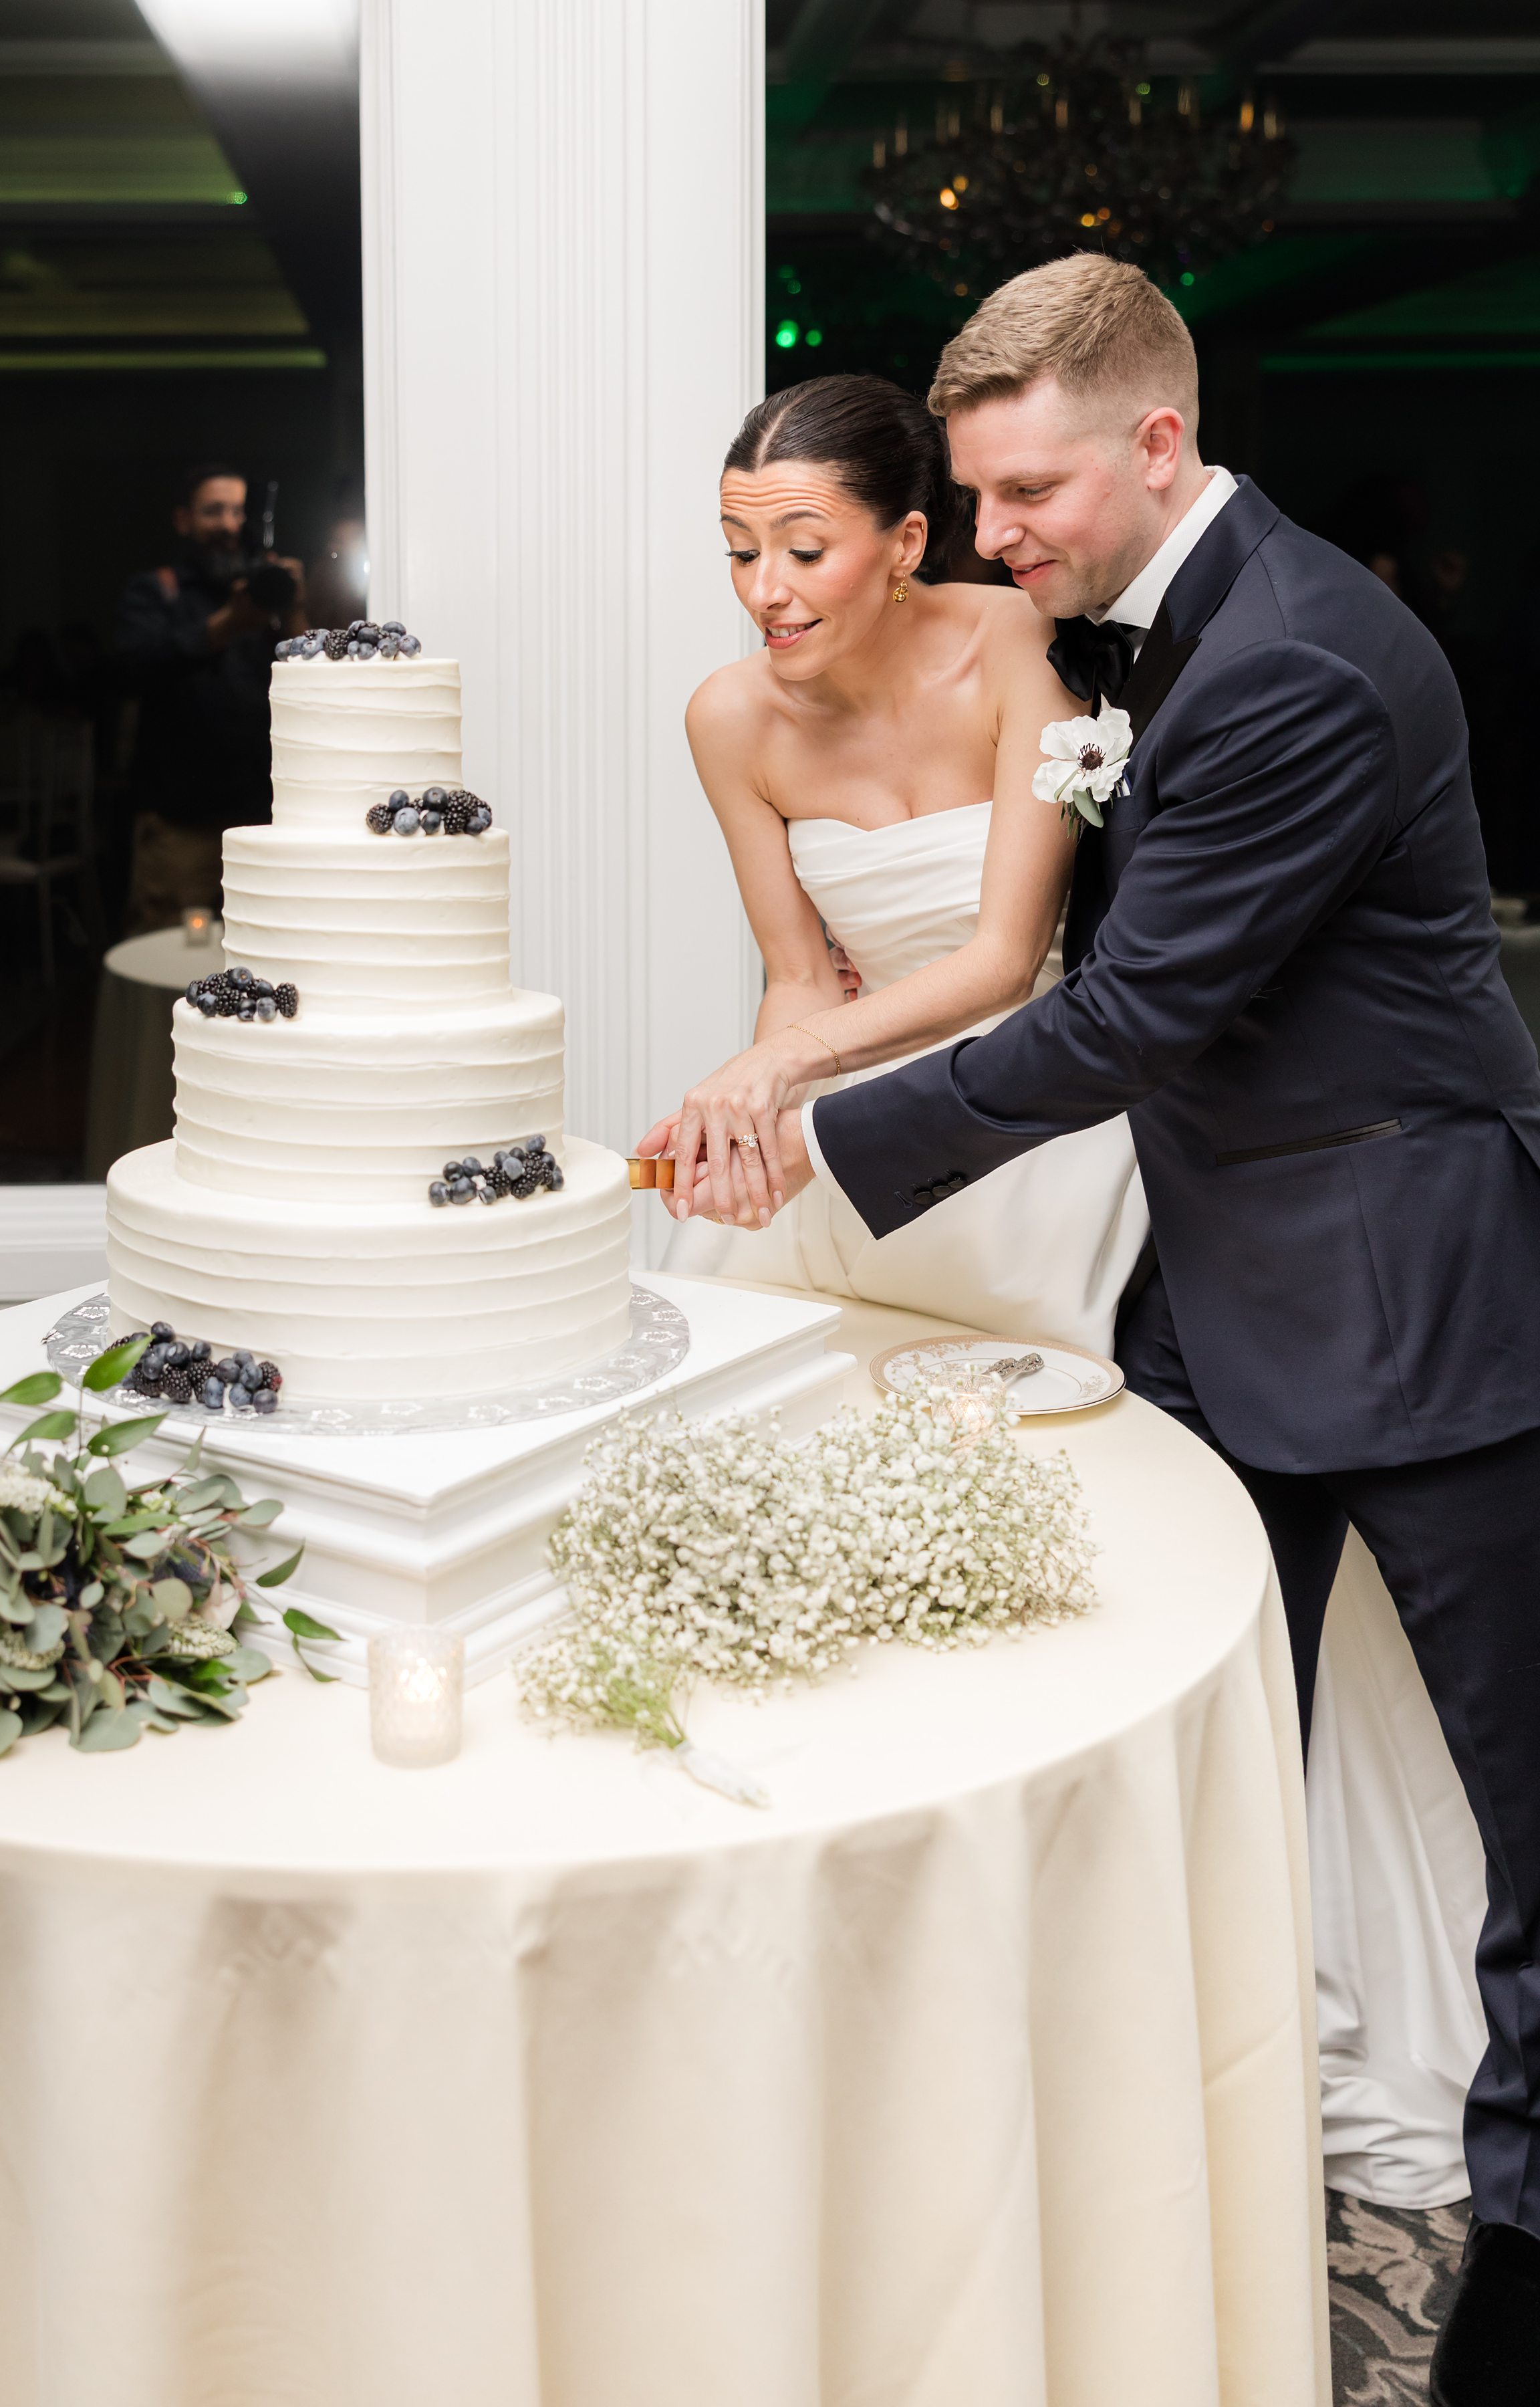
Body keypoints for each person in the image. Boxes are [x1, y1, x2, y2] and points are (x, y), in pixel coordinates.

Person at [654, 255, 1540, 2406]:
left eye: (1022, 491)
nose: (990, 544)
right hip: (1214, 1283)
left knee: (1515, 1808)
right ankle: (1153, 2155)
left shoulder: (1302, 662)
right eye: (966, 500)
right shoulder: (1154, 630)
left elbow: (1128, 1009)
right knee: (1158, 1725)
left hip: (1406, 1307)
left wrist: (821, 1138)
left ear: (1157, 443)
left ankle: (1506, 2270)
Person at [647, 372, 1148, 1350]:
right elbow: (798, 976)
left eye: (803, 551)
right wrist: (756, 1116)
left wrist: (772, 1065)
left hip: (1035, 1103)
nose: (765, 591)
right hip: (850, 1095)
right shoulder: (729, 718)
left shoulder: (1024, 646)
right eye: (741, 554)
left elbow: (1006, 959)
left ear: (905, 545)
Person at [114, 463, 306, 933]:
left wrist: (294, 606)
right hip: (182, 826)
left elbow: (307, 686)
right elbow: (132, 669)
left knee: (266, 961)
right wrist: (226, 626)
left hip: (263, 823)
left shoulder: (265, 593)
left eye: (239, 512)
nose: (228, 524)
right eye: (213, 511)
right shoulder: (158, 591)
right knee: (171, 967)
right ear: (183, 520)